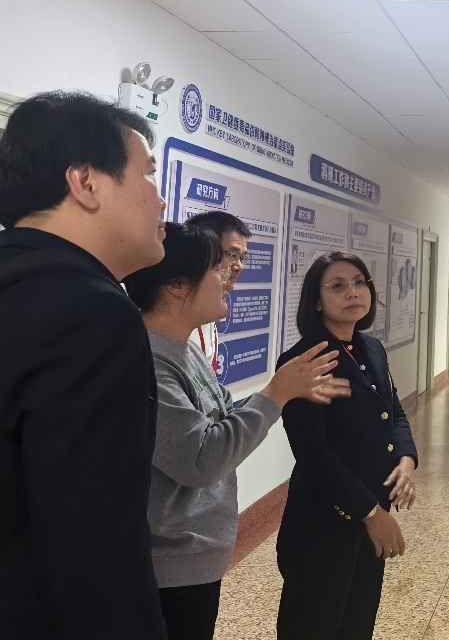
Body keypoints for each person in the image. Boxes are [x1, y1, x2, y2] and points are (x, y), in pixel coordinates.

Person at [124, 222, 351, 640]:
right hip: (167, 568)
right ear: (176, 285)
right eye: (218, 267)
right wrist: (275, 394)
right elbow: (200, 460)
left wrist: (281, 393)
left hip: (194, 559)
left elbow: (220, 420)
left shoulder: (184, 348)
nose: (230, 276)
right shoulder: (149, 362)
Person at [0, 91, 169, 638]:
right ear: (86, 182)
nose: (161, 201)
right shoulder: (92, 316)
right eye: (148, 176)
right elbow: (94, 544)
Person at [274, 251, 418, 640]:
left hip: (370, 516)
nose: (352, 292)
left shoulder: (371, 349)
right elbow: (313, 452)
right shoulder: (304, 361)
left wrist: (406, 461)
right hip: (324, 522)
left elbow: (393, 411)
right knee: (314, 626)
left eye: (359, 282)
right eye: (337, 286)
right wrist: (371, 513)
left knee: (357, 623)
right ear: (317, 301)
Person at [184, 210, 252, 374]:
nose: (239, 266)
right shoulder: (174, 320)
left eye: (242, 258)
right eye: (232, 255)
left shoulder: (210, 310)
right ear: (203, 252)